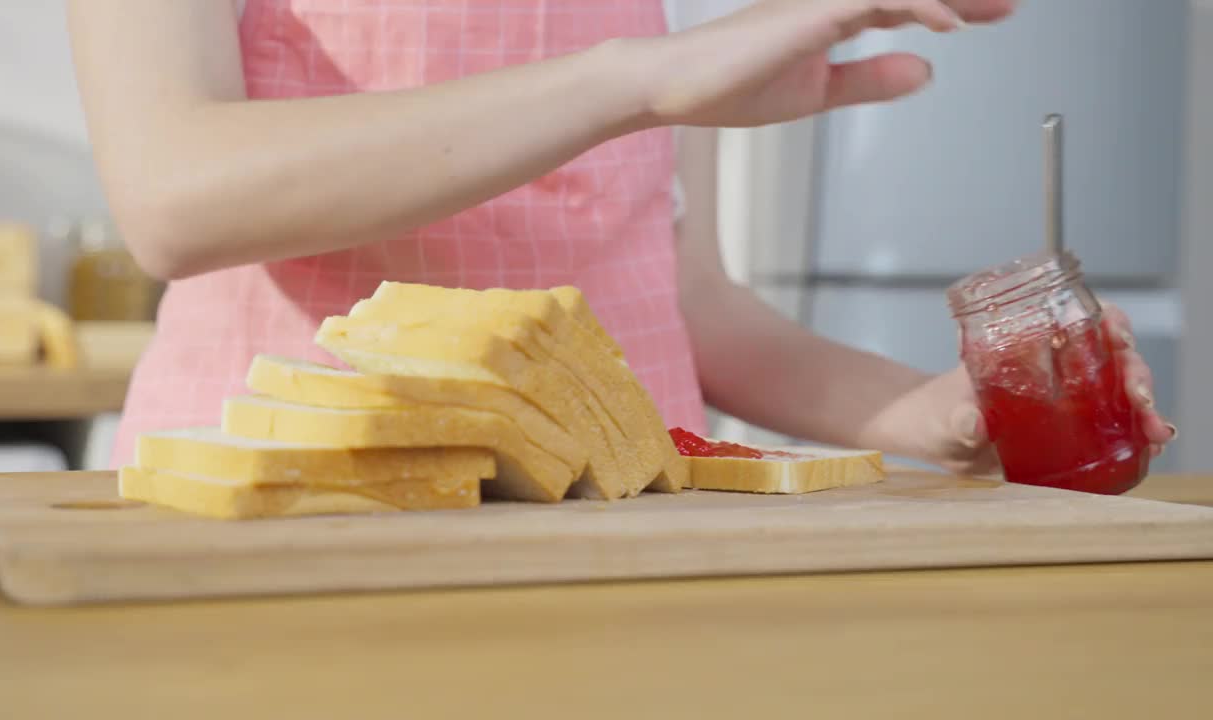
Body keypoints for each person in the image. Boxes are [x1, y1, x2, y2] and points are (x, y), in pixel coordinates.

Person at [67, 0, 1175, 472]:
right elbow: (175, 194)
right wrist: (636, 83)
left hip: (625, 531)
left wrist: (933, 412)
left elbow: (679, 301)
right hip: (295, 525)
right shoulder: (639, 72)